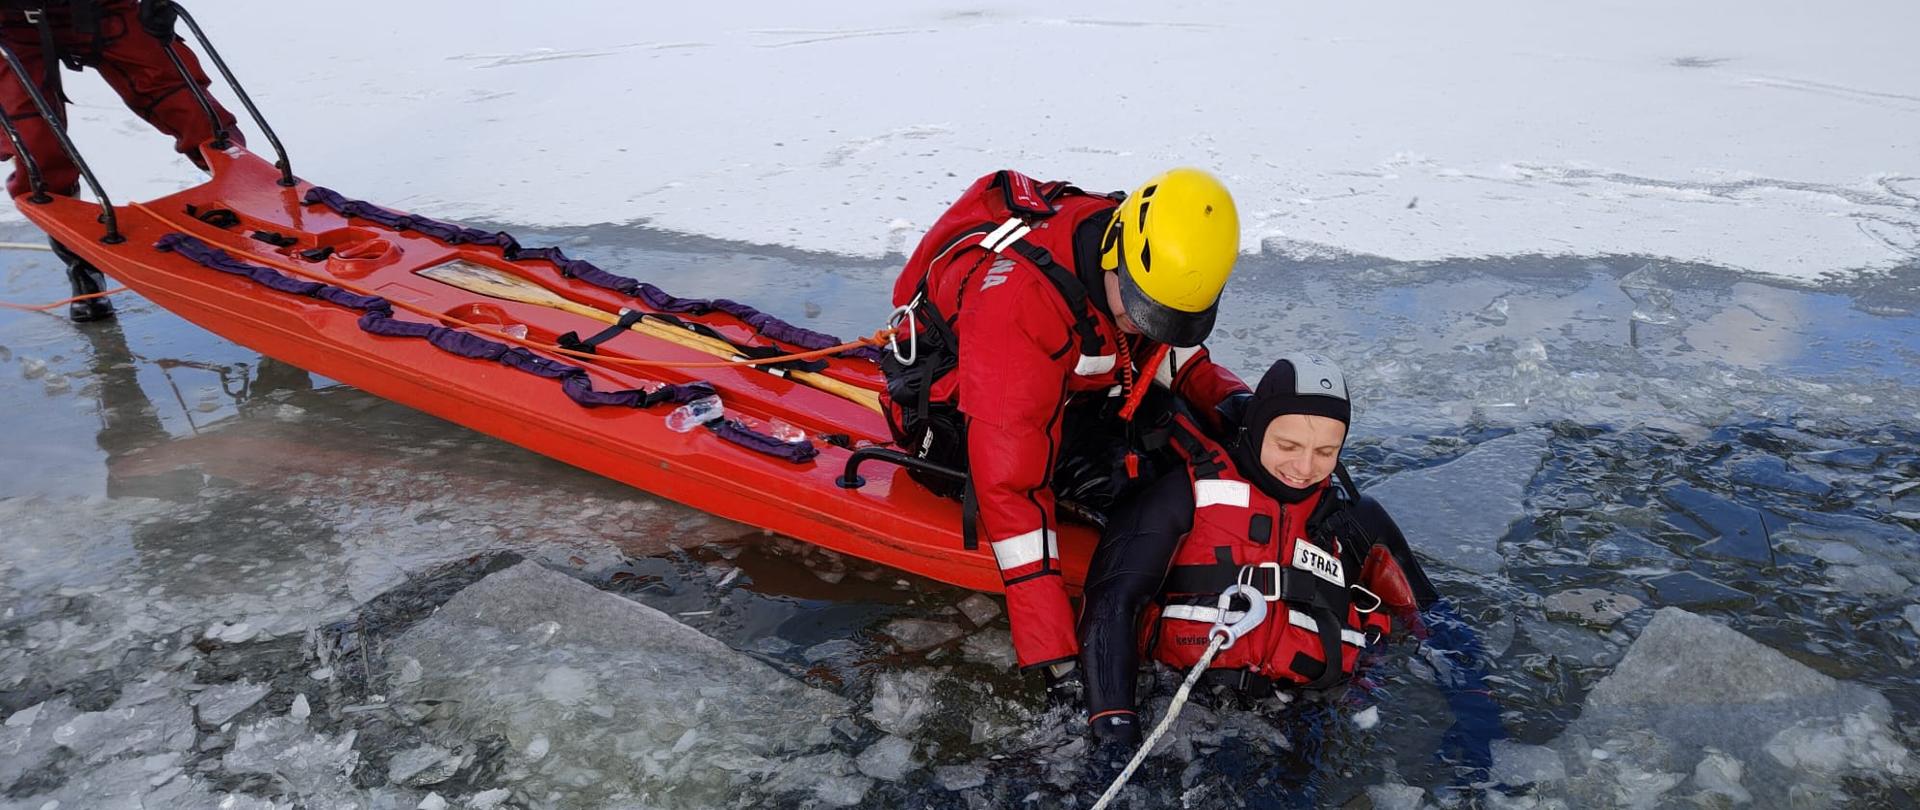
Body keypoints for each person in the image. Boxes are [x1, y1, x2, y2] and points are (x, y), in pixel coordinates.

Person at [883, 168, 1252, 686]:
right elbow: (1011, 489)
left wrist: (1234, 403)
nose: (1145, 322)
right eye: (1142, 309)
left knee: (1187, 435)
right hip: (958, 417)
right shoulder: (1020, 305)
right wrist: (1055, 658)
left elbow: (1156, 350)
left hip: (1058, 387)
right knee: (1131, 481)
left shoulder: (1133, 249)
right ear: (1116, 255)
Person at [1076, 353, 1434, 748]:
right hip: (1180, 710)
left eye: (1325, 452)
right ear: (1257, 427)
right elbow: (1113, 599)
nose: (1304, 467)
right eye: (1288, 445)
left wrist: (1473, 707)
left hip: (1307, 720)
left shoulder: (1355, 520)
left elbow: (1434, 622)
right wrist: (1114, 728)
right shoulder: (1186, 492)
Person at [0, 0, 242, 321]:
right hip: (11, 22)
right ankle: (83, 269)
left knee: (197, 114)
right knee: (36, 147)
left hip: (101, 7)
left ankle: (248, 223)